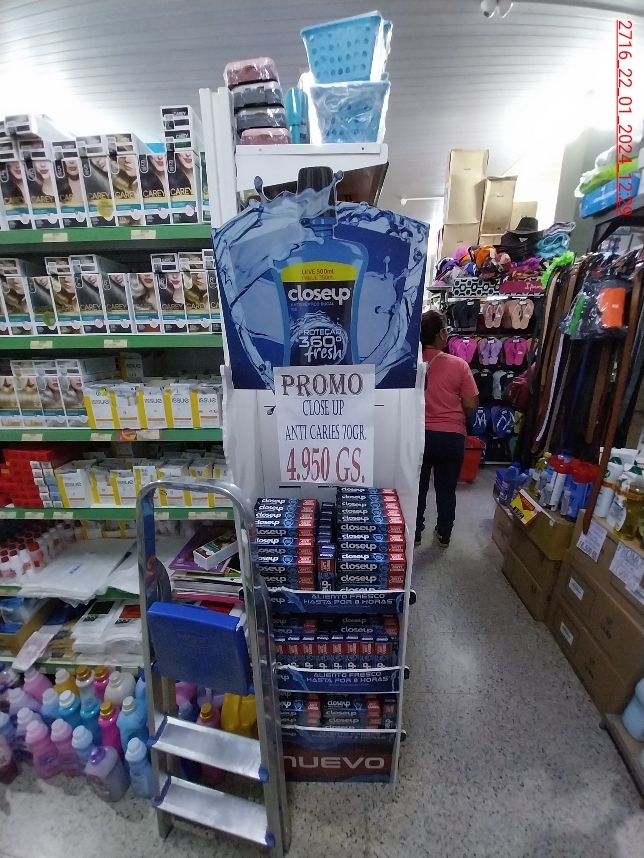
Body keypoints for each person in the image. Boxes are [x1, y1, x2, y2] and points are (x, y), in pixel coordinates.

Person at [415, 309, 479, 548]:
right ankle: (444, 533)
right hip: (451, 436)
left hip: (418, 435)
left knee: (417, 486)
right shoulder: (458, 365)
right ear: (441, 334)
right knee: (446, 487)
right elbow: (471, 404)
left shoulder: (410, 364)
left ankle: (415, 533)